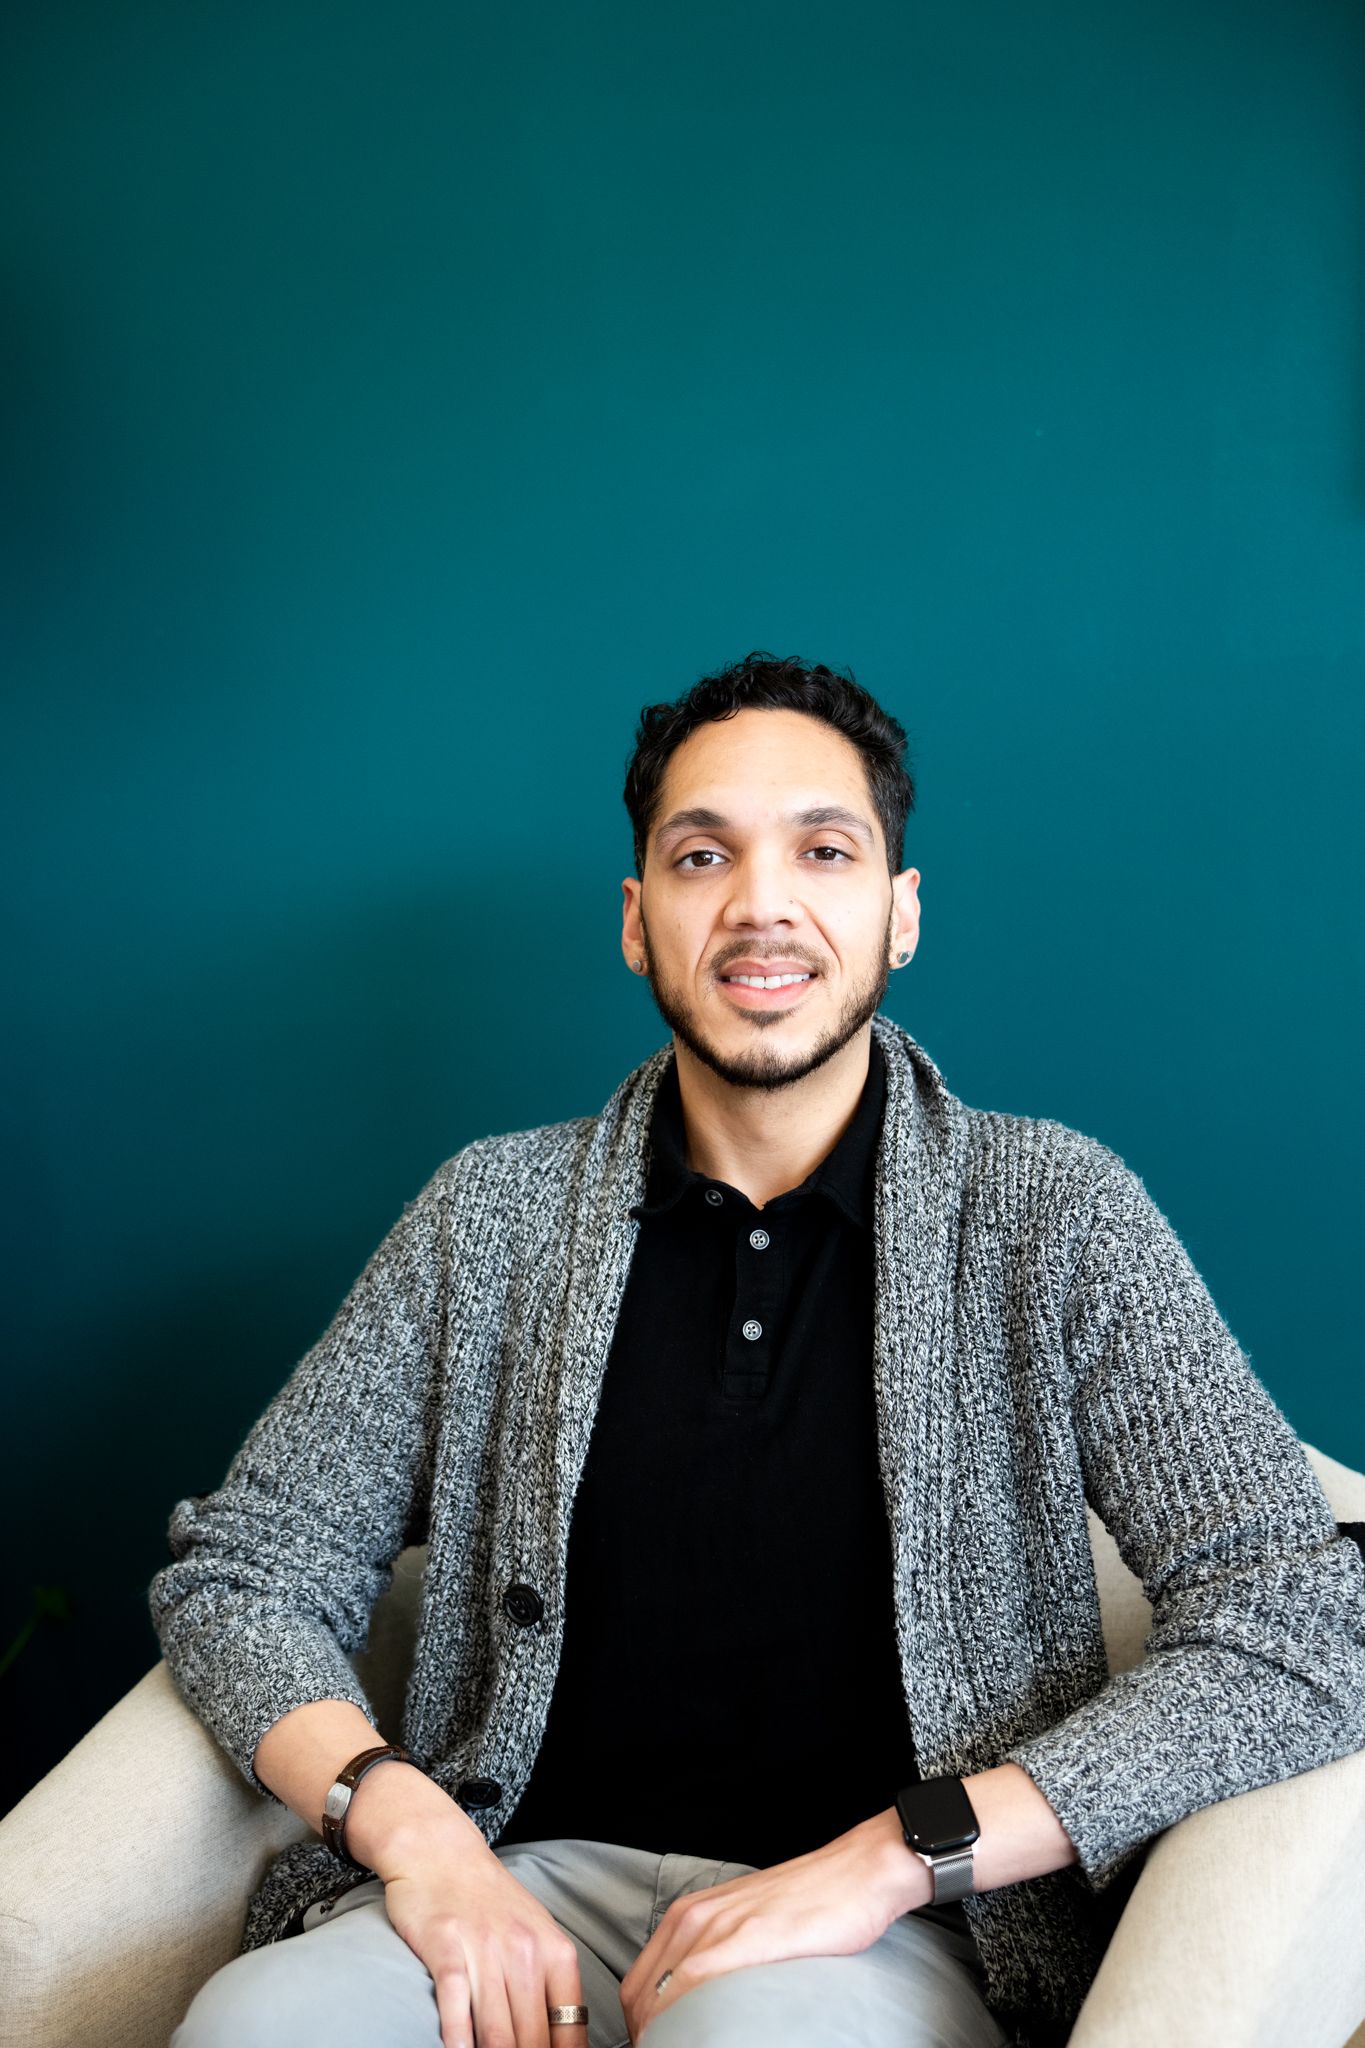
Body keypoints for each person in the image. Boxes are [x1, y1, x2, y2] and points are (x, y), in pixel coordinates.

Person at [149, 652, 1365, 2048]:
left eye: (824, 850)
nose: (760, 904)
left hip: (887, 1938)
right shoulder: (486, 1217)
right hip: (514, 1891)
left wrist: (889, 1861)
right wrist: (419, 1840)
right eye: (699, 854)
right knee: (254, 2029)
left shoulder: (1053, 1214)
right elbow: (244, 1574)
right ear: (635, 919)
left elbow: (1299, 1618)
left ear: (899, 914)